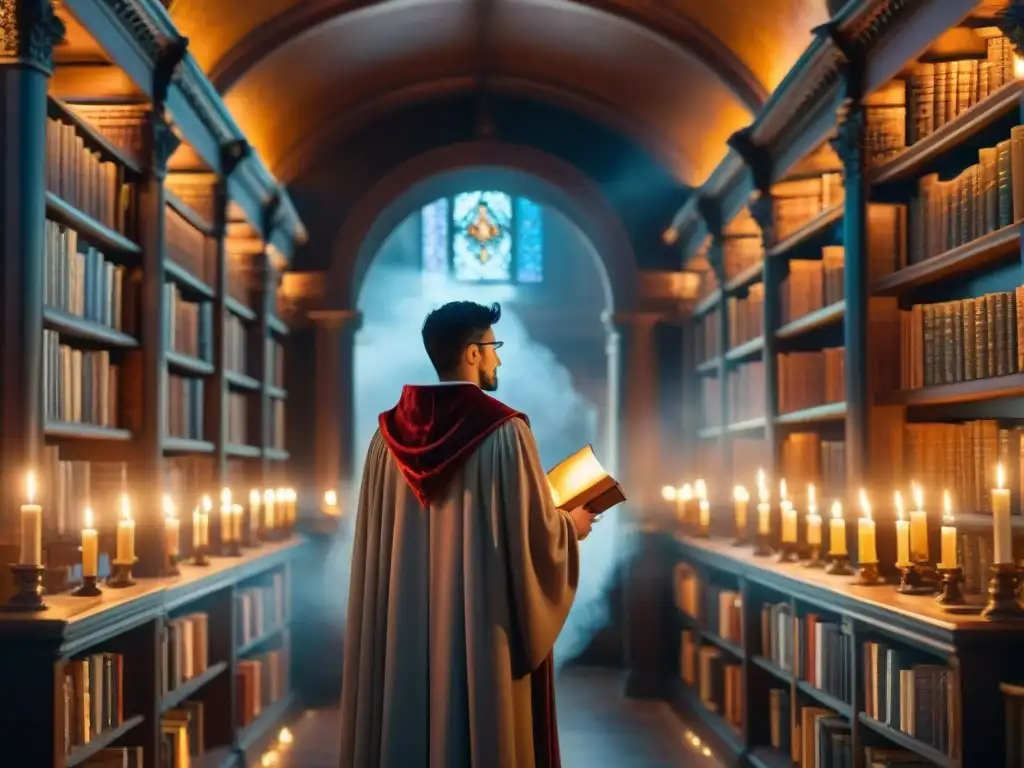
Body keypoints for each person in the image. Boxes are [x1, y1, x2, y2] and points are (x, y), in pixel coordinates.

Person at [339, 300, 592, 768]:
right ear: (472, 354)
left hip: (405, 628)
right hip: (483, 631)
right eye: (493, 348)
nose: (498, 359)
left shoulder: (385, 438)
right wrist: (569, 526)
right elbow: (533, 537)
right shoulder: (505, 432)